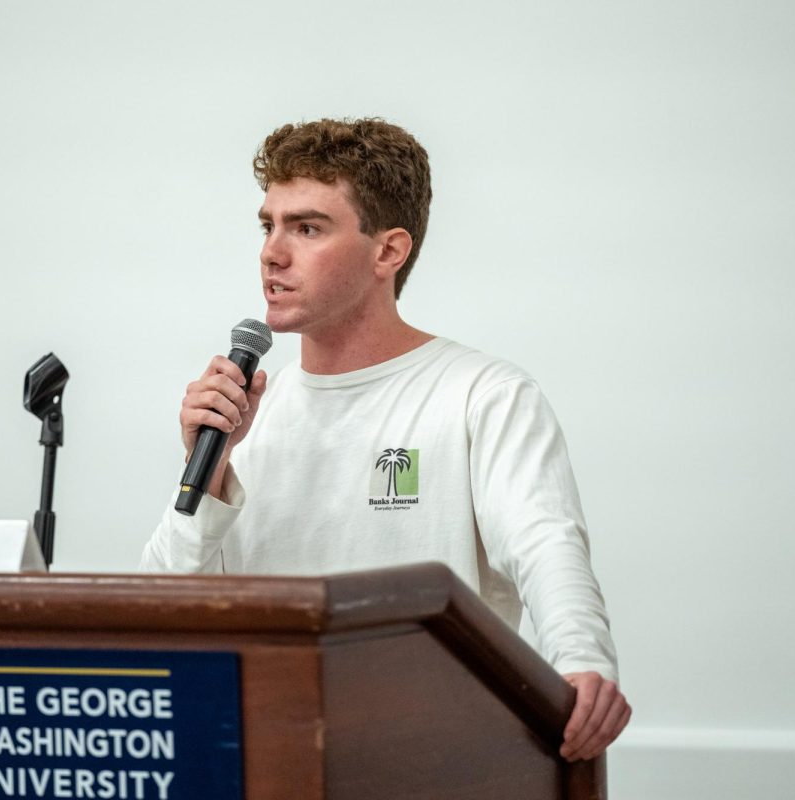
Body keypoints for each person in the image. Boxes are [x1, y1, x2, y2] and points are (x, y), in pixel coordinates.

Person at [140, 118, 630, 761]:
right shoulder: (247, 418)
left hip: (428, 757)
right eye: (269, 225)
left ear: (388, 252)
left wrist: (583, 660)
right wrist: (206, 474)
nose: (272, 252)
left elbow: (544, 542)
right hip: (266, 755)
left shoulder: (482, 394)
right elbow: (156, 618)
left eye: (307, 227)